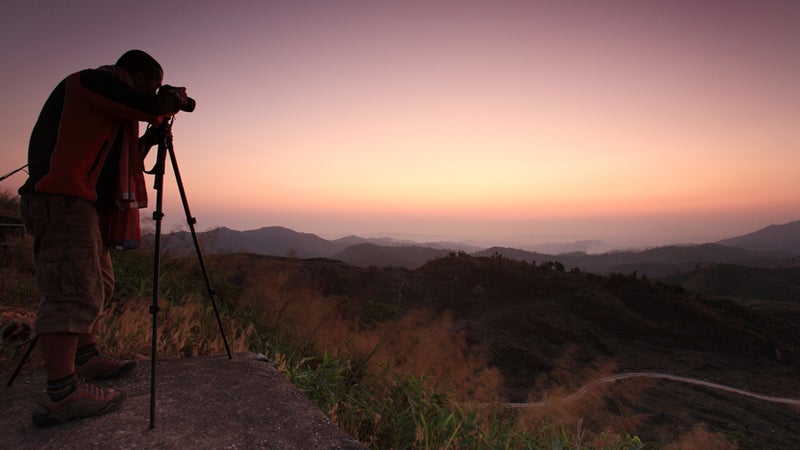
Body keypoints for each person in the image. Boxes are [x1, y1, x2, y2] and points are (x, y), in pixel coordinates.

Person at [18, 50, 189, 427]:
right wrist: (169, 100)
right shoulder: (93, 82)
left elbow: (129, 161)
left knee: (97, 284)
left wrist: (152, 134)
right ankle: (61, 394)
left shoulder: (112, 109)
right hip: (61, 199)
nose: (157, 91)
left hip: (83, 205)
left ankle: (86, 356)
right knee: (72, 290)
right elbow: (147, 104)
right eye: (155, 84)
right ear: (140, 78)